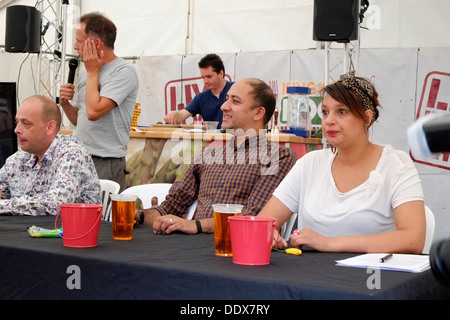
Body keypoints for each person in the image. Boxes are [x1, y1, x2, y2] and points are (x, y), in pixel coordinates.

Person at [258, 71, 426, 254]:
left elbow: (413, 239)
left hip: (371, 278)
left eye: (342, 111)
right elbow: (262, 223)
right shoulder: (310, 163)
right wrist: (268, 233)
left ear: (367, 118)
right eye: (324, 112)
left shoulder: (396, 164)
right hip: (309, 277)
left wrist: (330, 243)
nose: (329, 120)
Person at [137, 78, 297, 234]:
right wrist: (139, 216)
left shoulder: (279, 157)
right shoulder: (208, 155)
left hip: (235, 248)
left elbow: (253, 218)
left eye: (235, 101)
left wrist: (194, 225)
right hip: (193, 249)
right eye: (226, 99)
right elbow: (171, 206)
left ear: (258, 113)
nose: (224, 106)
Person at [59, 12, 139, 191]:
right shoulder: (88, 71)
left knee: (103, 218)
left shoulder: (124, 72)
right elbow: (81, 120)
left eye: (79, 41)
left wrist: (92, 71)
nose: (75, 46)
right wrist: (65, 104)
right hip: (80, 157)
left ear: (96, 43)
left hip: (105, 163)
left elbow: (94, 112)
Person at [0, 95, 101, 216]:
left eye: (26, 123)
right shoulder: (20, 158)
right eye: (17, 122)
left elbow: (56, 204)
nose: (16, 129)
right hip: (31, 231)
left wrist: (4, 205)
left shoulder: (72, 153)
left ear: (50, 127)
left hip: (73, 233)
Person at [164, 53, 233, 128]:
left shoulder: (235, 89)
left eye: (209, 77)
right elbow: (182, 114)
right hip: (212, 139)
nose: (205, 81)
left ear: (221, 73)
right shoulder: (201, 97)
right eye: (203, 77)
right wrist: (174, 115)